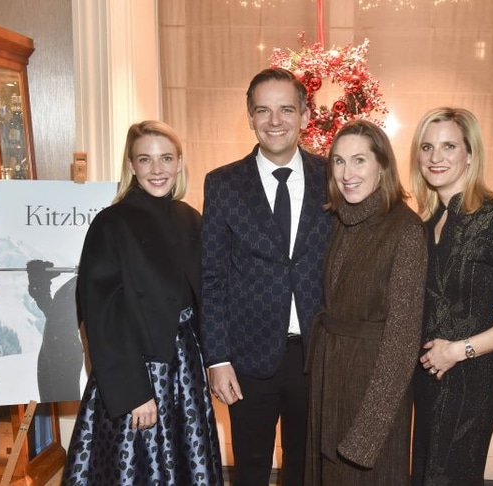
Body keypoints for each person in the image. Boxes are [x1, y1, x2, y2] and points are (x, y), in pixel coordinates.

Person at [63, 120, 223, 485]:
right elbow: (101, 315)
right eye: (145, 160)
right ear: (131, 166)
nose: (157, 169)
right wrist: (135, 393)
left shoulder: (190, 219)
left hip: (186, 368)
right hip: (137, 373)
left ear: (179, 163)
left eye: (166, 158)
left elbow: (207, 296)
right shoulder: (110, 224)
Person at [201, 68, 331, 486]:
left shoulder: (333, 177)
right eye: (263, 110)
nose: (275, 121)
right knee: (251, 470)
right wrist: (218, 359)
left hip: (317, 356)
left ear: (305, 116)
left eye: (286, 109)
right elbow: (212, 276)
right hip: (247, 358)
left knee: (306, 468)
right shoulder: (222, 184)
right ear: (250, 117)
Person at [409, 107, 493, 485]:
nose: (436, 157)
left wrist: (457, 350)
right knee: (425, 474)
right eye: (427, 147)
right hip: (428, 377)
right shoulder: (425, 220)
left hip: (471, 378)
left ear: (470, 154)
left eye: (449, 146)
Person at [305, 120, 427, 485]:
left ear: (382, 165)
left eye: (359, 160)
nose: (347, 173)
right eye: (339, 162)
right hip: (331, 376)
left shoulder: (405, 229)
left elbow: (403, 339)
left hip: (372, 388)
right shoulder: (343, 220)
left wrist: (368, 430)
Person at [26, 260, 83, 403]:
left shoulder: (87, 280)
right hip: (58, 349)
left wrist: (40, 285)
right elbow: (57, 315)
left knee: (63, 410)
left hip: (64, 351)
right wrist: (41, 283)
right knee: (54, 407)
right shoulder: (82, 280)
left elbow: (57, 316)